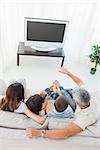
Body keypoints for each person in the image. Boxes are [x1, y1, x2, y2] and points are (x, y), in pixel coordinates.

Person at [26, 68, 99, 139]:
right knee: (62, 92)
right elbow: (80, 82)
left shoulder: (85, 118)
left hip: (75, 110)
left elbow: (66, 133)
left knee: (62, 94)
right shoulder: (89, 97)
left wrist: (39, 133)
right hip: (78, 105)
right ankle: (59, 90)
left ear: (76, 102)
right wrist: (68, 73)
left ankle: (59, 90)